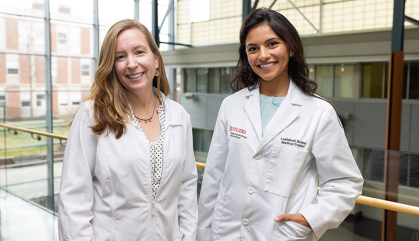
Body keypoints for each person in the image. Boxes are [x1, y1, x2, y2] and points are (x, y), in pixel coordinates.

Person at [197, 8, 363, 241]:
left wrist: (310, 218)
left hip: (279, 234)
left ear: (291, 48)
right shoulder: (231, 105)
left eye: (272, 44)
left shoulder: (318, 112)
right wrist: (204, 233)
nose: (263, 55)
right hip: (226, 232)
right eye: (253, 48)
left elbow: (344, 182)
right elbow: (214, 176)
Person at [58, 19, 197, 241]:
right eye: (120, 57)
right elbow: (74, 198)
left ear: (156, 59)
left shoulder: (179, 116)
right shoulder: (93, 115)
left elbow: (186, 186)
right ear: (111, 66)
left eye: (139, 52)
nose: (131, 63)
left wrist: (188, 236)